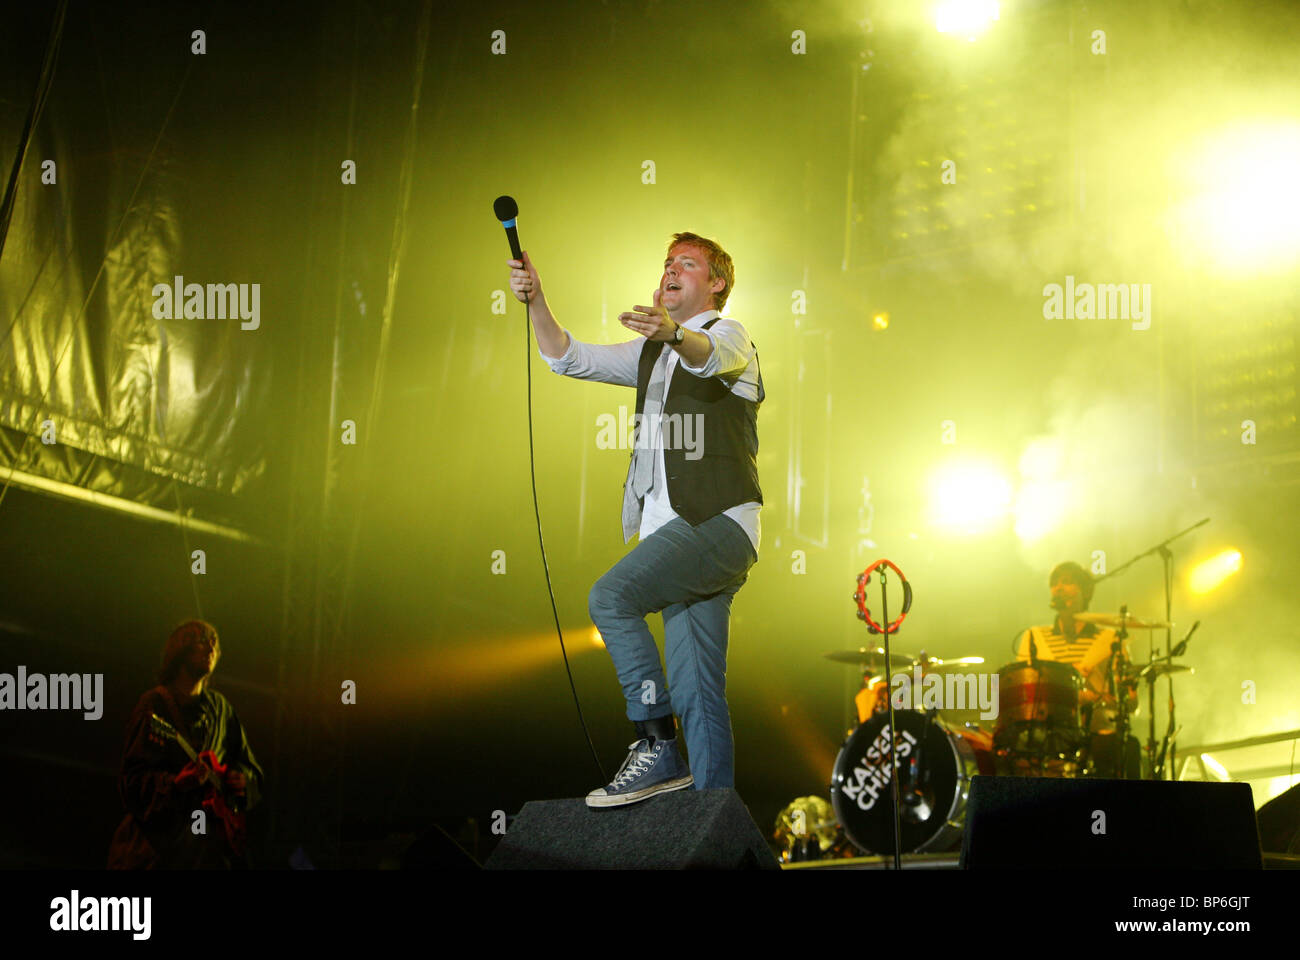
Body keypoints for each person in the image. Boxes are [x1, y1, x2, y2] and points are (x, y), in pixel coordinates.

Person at [508, 232, 763, 807]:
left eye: (687, 264)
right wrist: (536, 301)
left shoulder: (728, 333)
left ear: (717, 283)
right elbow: (568, 356)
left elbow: (712, 357)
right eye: (667, 262)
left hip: (716, 521)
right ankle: (711, 821)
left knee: (611, 597)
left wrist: (675, 334)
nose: (671, 270)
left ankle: (653, 741)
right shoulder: (652, 353)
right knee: (698, 689)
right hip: (679, 537)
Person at [107, 619, 264, 868]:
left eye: (215, 642)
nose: (211, 647)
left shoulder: (221, 709)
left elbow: (250, 769)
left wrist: (242, 780)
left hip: (207, 855)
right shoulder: (154, 706)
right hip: (156, 854)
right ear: (180, 649)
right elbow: (132, 782)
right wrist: (176, 784)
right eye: (202, 640)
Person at [1013, 561, 1140, 777]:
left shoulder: (1110, 639)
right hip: (1049, 734)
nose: (1058, 588)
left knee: (1119, 747)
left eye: (1068, 582)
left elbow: (1130, 701)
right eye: (1054, 584)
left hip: (1098, 733)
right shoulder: (1034, 637)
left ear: (1086, 592)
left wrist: (1097, 698)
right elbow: (1023, 691)